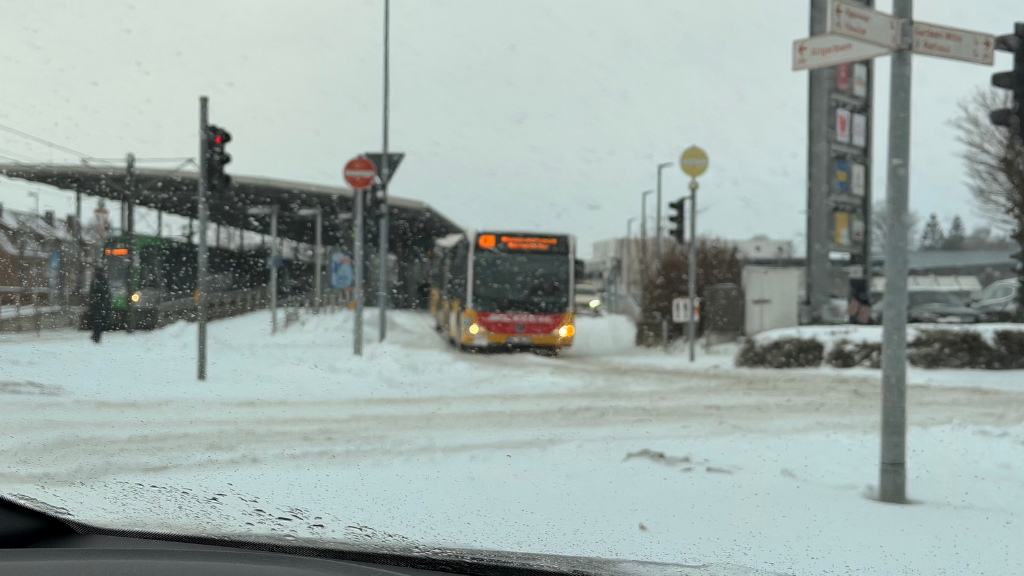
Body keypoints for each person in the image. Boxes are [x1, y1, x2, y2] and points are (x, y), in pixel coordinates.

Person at [88, 267, 111, 343]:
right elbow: (105, 294)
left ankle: (96, 335)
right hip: (99, 306)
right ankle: (96, 336)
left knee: (99, 322)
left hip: (99, 306)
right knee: (99, 322)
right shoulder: (99, 282)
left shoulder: (99, 282)